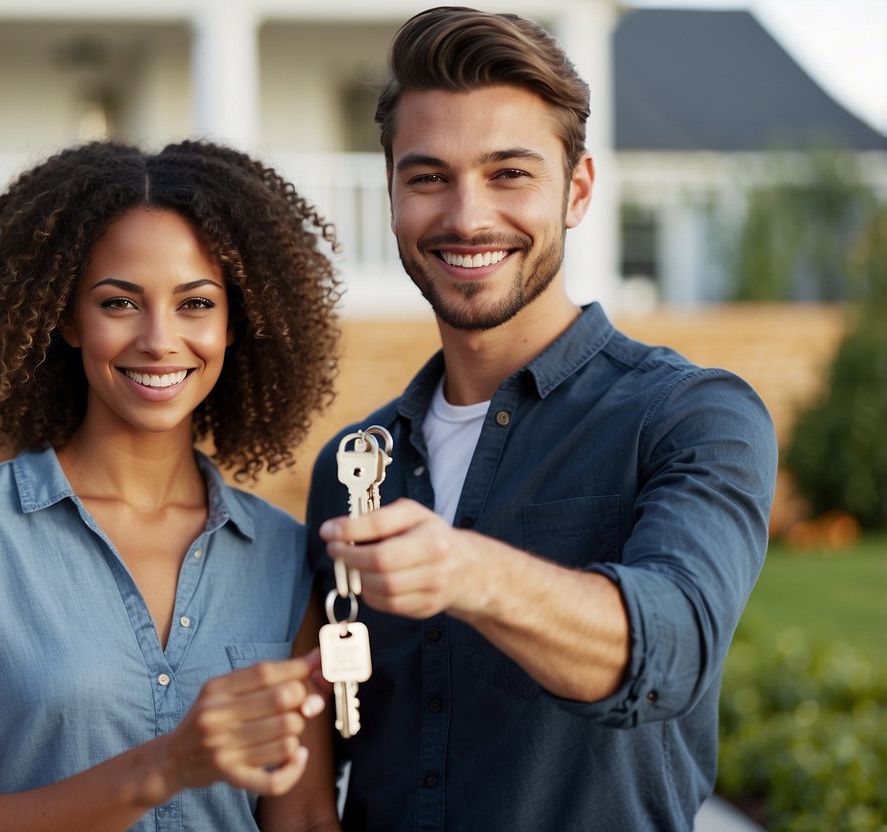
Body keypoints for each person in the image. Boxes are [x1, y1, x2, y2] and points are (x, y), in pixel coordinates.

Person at [305, 7, 778, 830]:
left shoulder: (690, 416)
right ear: (391, 196)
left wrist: (465, 571)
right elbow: (329, 742)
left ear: (577, 190)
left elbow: (673, 649)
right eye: (427, 178)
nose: (465, 216)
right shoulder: (350, 466)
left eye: (508, 174)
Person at [0, 140, 344, 831]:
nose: (158, 339)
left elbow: (300, 819)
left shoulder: (284, 557)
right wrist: (163, 769)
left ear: (233, 323)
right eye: (119, 303)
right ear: (64, 318)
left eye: (195, 304)